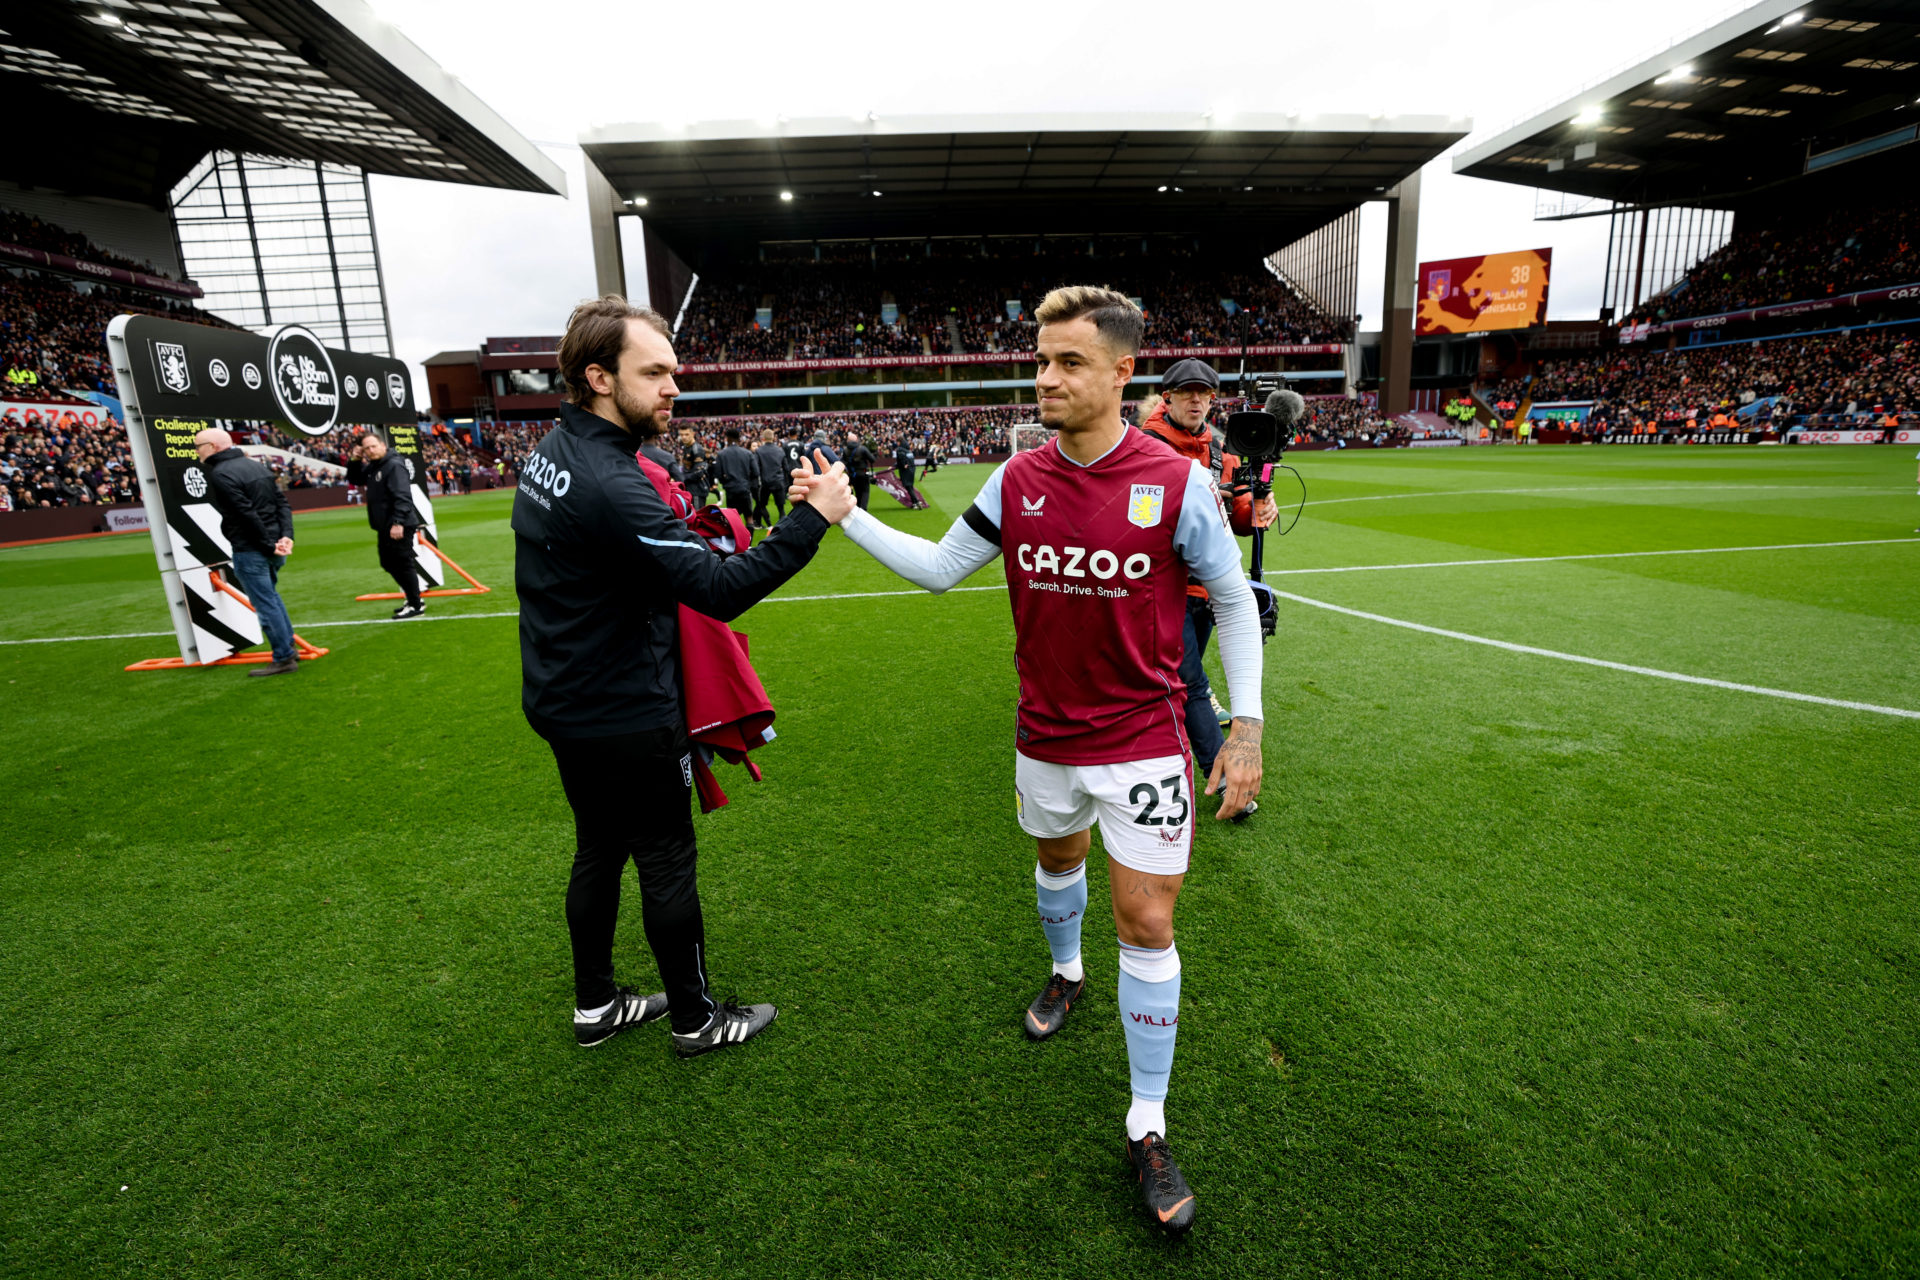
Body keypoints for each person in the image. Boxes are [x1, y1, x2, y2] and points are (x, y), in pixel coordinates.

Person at [795, 286, 1263, 1234]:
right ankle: (1066, 972)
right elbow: (937, 568)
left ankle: (1145, 1124)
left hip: (1143, 739)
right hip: (1046, 736)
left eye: (1068, 362)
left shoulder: (1178, 485)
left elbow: (1233, 596)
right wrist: (844, 516)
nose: (1045, 377)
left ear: (1124, 373)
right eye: (1042, 360)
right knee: (1057, 865)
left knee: (1147, 920)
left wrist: (1245, 727)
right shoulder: (1016, 480)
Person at [513, 295, 855, 1059]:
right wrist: (813, 519)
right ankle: (697, 1021)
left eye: (674, 371)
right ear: (599, 377)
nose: (674, 387)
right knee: (665, 856)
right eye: (656, 372)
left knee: (599, 844)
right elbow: (718, 589)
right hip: (624, 708)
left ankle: (596, 1005)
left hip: (562, 694)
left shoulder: (553, 451)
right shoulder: (611, 480)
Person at [1138, 358, 1276, 781]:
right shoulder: (1144, 444)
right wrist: (1197, 491)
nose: (1196, 400)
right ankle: (1221, 773)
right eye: (1187, 392)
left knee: (1175, 679)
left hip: (1206, 590)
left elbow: (1235, 522)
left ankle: (1155, 736)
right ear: (1168, 397)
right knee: (1192, 681)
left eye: (1204, 393)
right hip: (1160, 587)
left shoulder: (1221, 451)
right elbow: (1142, 518)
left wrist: (1255, 509)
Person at [193, 427, 299, 676]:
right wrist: (285, 537)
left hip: (252, 548)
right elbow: (281, 503)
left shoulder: (221, 474)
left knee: (265, 603)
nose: (197, 451)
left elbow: (245, 515)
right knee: (271, 597)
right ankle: (287, 648)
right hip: (271, 545)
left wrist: (267, 544)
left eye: (199, 446)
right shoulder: (255, 466)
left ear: (214, 446)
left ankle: (283, 657)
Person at [344, 432, 425, 619]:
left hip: (398, 524)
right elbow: (355, 479)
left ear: (382, 445)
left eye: (373, 446)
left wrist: (398, 522)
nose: (371, 451)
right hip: (385, 525)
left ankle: (415, 604)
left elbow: (403, 496)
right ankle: (413, 599)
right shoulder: (375, 465)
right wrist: (355, 459)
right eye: (366, 448)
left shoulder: (393, 465)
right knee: (388, 563)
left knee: (403, 563)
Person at [714, 426, 758, 524]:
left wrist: (725, 483)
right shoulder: (747, 453)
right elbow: (756, 472)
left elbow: (717, 473)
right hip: (744, 489)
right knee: (749, 517)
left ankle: (737, 538)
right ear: (739, 439)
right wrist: (747, 482)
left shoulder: (721, 454)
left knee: (733, 518)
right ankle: (749, 539)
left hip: (731, 490)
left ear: (727, 438)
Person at [755, 428, 790, 526]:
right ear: (774, 437)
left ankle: (769, 524)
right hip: (778, 481)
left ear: (763, 438)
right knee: (781, 507)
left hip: (765, 482)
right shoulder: (780, 450)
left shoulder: (759, 451)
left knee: (762, 505)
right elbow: (786, 468)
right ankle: (782, 526)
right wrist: (786, 482)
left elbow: (756, 468)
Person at [844, 430, 874, 510]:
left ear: (848, 441)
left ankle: (858, 508)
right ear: (856, 440)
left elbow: (842, 462)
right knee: (865, 491)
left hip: (852, 475)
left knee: (857, 492)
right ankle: (863, 509)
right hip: (863, 473)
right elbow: (872, 459)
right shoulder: (862, 449)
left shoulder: (845, 450)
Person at [893, 435, 919, 506]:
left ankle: (916, 502)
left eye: (897, 442)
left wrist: (902, 465)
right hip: (912, 469)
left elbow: (901, 460)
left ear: (899, 442)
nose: (896, 443)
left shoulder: (900, 450)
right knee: (910, 486)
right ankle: (915, 502)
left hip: (906, 470)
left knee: (908, 486)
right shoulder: (908, 450)